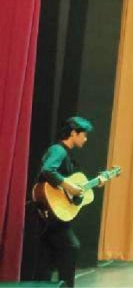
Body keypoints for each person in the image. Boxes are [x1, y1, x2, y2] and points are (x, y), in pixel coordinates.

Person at [30, 118, 106, 286]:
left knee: (46, 257)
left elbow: (75, 190)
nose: (86, 139)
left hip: (51, 213)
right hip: (51, 211)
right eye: (84, 135)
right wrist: (68, 186)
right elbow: (48, 170)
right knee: (71, 247)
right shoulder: (59, 150)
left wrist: (95, 183)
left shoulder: (66, 154)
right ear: (73, 133)